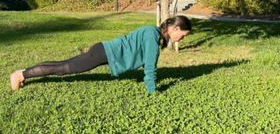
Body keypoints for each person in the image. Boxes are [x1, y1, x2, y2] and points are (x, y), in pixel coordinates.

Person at [10, 16, 192, 93]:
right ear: (175, 28)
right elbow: (150, 67)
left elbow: (144, 60)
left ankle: (23, 73)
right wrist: (153, 92)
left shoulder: (151, 32)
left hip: (104, 51)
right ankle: (20, 74)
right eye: (183, 35)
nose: (181, 38)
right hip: (104, 53)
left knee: (63, 65)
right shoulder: (152, 36)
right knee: (63, 68)